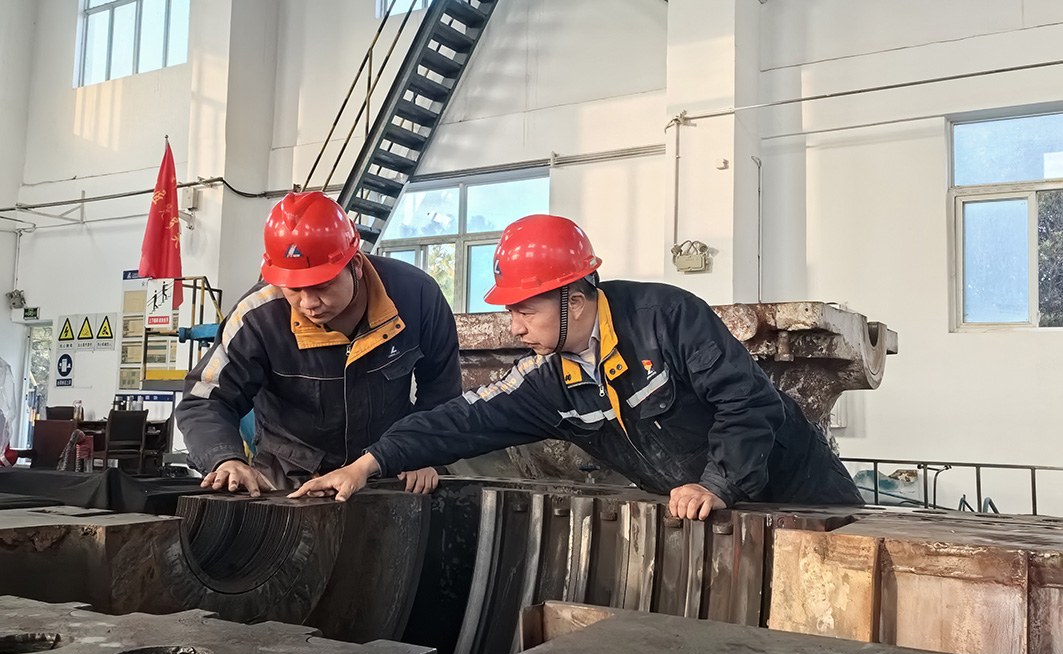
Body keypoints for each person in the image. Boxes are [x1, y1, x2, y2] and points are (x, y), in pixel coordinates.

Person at [291, 214, 865, 519]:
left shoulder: (667, 317)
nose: (513, 326)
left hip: (803, 497)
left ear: (574, 296)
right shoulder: (552, 378)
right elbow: (461, 418)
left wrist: (716, 483)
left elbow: (748, 401)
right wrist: (366, 465)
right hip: (716, 513)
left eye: (523, 309)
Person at [176, 191, 461, 496]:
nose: (309, 303)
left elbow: (442, 395)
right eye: (294, 289)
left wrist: (420, 452)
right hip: (288, 484)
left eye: (322, 285)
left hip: (385, 478)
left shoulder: (416, 298)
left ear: (356, 264)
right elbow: (205, 400)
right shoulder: (259, 316)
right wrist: (225, 458)